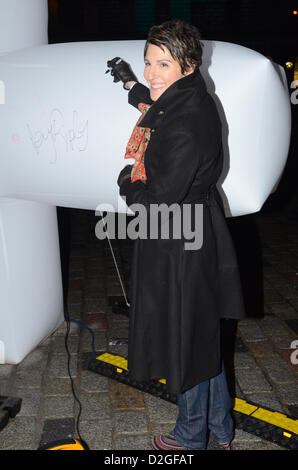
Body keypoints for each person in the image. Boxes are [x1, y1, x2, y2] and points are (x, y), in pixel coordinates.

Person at [106, 19, 245, 451]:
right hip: (194, 230)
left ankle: (189, 437)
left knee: (186, 340)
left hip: (179, 237)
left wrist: (127, 181)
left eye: (162, 64)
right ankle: (220, 429)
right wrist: (130, 83)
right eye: (149, 62)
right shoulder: (187, 96)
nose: (152, 73)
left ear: (188, 64)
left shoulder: (185, 121)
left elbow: (157, 201)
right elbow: (151, 103)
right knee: (201, 335)